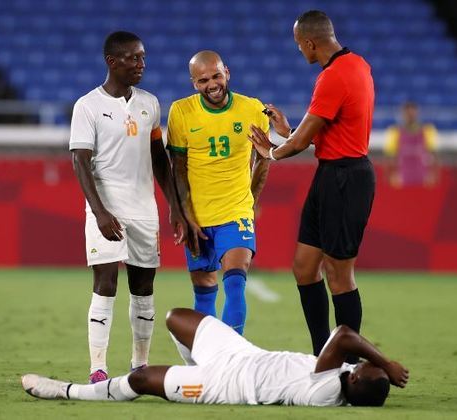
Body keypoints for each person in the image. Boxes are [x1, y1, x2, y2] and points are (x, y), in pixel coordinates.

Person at [248, 10, 375, 361]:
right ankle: (322, 355)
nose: (299, 52)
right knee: (304, 267)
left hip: (346, 180)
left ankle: (348, 363)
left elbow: (303, 142)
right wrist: (287, 133)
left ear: (308, 42)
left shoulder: (333, 77)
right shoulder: (358, 65)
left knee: (339, 273)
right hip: (331, 174)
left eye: (298, 45)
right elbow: (326, 134)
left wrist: (271, 152)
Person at [69, 31, 186, 383]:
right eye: (133, 58)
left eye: (143, 58)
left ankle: (139, 363)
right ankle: (98, 368)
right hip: (107, 207)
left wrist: (175, 207)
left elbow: (159, 160)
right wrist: (100, 211)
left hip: (143, 209)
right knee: (105, 282)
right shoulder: (87, 106)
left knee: (144, 287)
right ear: (112, 61)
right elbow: (80, 160)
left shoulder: (149, 103)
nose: (141, 65)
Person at [22, 308, 409, 407]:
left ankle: (67, 391)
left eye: (363, 366)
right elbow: (349, 346)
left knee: (141, 380)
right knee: (177, 318)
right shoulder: (344, 377)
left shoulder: (326, 388)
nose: (360, 361)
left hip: (227, 385)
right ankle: (189, 373)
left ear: (355, 380)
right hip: (244, 355)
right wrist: (381, 370)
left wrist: (388, 364)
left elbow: (344, 334)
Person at [166, 50, 271, 334]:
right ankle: (207, 363)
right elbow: (177, 167)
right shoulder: (181, 112)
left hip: (235, 213)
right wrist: (186, 215)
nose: (211, 84)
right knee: (204, 289)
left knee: (235, 282)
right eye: (203, 80)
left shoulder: (253, 109)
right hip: (198, 215)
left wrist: (249, 202)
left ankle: (232, 361)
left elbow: (264, 159)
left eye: (216, 76)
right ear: (193, 83)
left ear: (227, 72)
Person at [384, 101, 439, 187]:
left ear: (417, 113)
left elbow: (435, 156)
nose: (410, 115)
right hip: (401, 180)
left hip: (424, 180)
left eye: (412, 112)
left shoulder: (428, 131)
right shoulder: (394, 132)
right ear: (403, 114)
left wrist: (433, 175)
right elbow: (389, 158)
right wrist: (391, 176)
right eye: (407, 112)